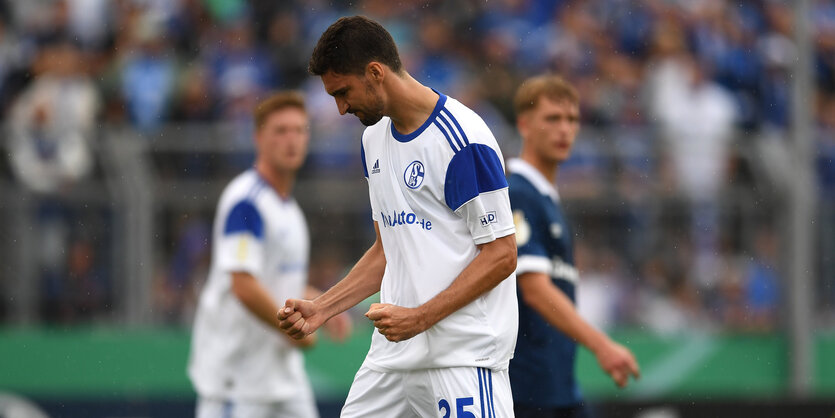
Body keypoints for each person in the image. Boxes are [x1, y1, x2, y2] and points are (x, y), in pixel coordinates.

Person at [278, 16, 519, 417]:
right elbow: (387, 247)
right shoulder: (373, 137)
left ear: (375, 73)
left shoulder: (462, 140)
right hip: (391, 359)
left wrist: (421, 317)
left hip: (461, 357)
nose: (340, 108)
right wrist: (322, 308)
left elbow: (502, 254)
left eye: (343, 92)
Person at [188, 91, 351, 418]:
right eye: (281, 130)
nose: (291, 139)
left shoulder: (287, 208)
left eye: (299, 130)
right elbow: (244, 285)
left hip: (282, 378)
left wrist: (321, 305)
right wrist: (297, 333)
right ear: (258, 138)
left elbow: (279, 283)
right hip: (238, 381)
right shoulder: (247, 202)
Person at [507, 75, 641, 417]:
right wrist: (603, 346)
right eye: (552, 119)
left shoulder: (545, 197)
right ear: (524, 124)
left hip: (556, 383)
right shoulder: (518, 193)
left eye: (572, 120)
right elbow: (534, 290)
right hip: (524, 385)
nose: (564, 129)